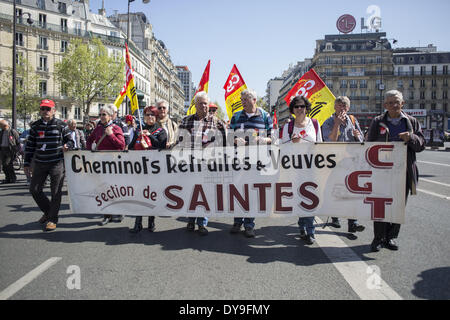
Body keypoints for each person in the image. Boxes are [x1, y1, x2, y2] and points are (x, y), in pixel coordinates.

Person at [367, 90, 425, 252]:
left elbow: (421, 144)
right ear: (385, 105)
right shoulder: (377, 122)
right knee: (380, 206)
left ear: (403, 103)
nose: (394, 105)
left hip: (403, 171)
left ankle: (390, 237)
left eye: (397, 102)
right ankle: (378, 238)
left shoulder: (411, 122)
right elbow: (368, 145)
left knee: (398, 206)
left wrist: (411, 138)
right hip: (382, 172)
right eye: (390, 103)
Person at [177, 91, 227, 236]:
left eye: (206, 103)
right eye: (201, 103)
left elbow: (225, 143)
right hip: (190, 164)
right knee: (191, 192)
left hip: (208, 165)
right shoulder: (186, 120)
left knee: (205, 194)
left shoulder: (217, 122)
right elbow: (179, 141)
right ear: (195, 105)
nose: (204, 106)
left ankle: (202, 223)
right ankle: (191, 220)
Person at [24, 99, 74, 231]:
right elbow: (30, 146)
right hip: (40, 163)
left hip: (56, 163)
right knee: (34, 190)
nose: (45, 111)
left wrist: (67, 145)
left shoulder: (61, 125)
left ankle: (52, 219)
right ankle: (48, 212)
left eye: (48, 109)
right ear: (40, 110)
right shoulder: (35, 126)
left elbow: (71, 141)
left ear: (53, 111)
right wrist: (26, 163)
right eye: (43, 109)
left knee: (56, 192)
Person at [229, 89, 273, 238]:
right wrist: (235, 140)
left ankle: (249, 224)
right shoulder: (236, 116)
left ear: (254, 100)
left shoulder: (265, 116)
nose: (243, 103)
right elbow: (228, 137)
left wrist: (263, 140)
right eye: (242, 100)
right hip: (239, 160)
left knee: (252, 193)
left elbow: (273, 137)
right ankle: (237, 221)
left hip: (257, 161)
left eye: (246, 100)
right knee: (238, 191)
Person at [321, 96, 366, 236]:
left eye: (345, 106)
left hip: (351, 162)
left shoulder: (352, 120)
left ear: (348, 108)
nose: (342, 108)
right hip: (334, 162)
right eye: (340, 105)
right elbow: (330, 141)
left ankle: (353, 223)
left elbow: (361, 140)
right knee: (336, 190)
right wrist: (337, 124)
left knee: (352, 191)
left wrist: (357, 135)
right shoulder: (329, 122)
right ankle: (335, 216)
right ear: (335, 107)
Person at [281, 96, 322, 245]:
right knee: (300, 198)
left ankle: (310, 231)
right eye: (297, 106)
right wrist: (292, 143)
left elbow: (320, 145)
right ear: (292, 109)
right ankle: (302, 225)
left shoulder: (315, 124)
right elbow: (283, 147)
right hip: (295, 168)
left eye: (302, 106)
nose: (300, 109)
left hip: (311, 167)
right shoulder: (288, 126)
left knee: (310, 199)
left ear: (306, 108)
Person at [128, 106, 167, 233]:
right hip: (140, 169)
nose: (149, 117)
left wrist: (150, 136)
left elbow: (161, 146)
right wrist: (137, 136)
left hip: (154, 169)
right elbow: (130, 147)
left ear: (156, 117)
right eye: (147, 115)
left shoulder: (160, 130)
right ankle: (137, 223)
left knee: (151, 196)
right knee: (139, 196)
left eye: (152, 115)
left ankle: (151, 221)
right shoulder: (138, 129)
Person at [86, 105, 126, 226]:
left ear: (109, 116)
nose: (102, 117)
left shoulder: (116, 128)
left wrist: (111, 135)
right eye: (100, 114)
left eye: (104, 114)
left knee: (115, 189)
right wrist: (90, 150)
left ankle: (119, 211)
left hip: (114, 164)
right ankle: (107, 214)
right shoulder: (97, 129)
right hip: (101, 164)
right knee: (103, 189)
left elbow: (121, 146)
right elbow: (89, 140)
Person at [0, 120, 20, 184]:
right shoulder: (1, 132)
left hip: (10, 150)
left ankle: (13, 178)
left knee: (8, 164)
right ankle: (7, 178)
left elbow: (18, 141)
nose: (0, 127)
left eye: (1, 125)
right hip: (2, 149)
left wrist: (17, 150)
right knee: (4, 165)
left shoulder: (12, 131)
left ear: (5, 125)